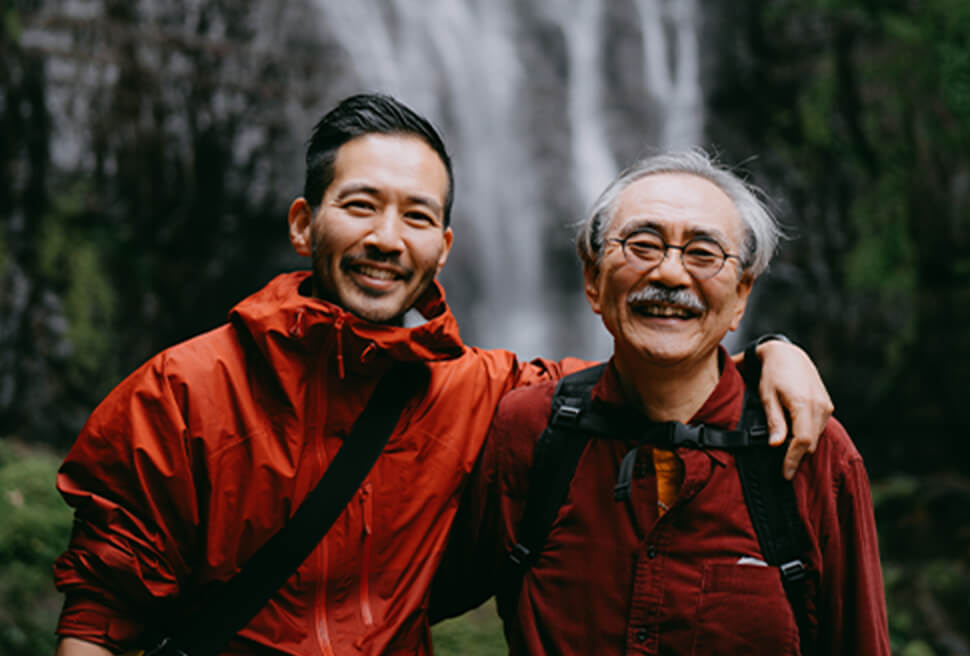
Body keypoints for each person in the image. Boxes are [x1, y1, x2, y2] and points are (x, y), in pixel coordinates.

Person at [52, 95, 833, 655]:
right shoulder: (183, 390)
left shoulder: (486, 394)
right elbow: (99, 619)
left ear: (445, 248)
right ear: (304, 223)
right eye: (361, 205)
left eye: (417, 217)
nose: (388, 239)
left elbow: (651, 364)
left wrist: (772, 352)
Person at [431, 149, 890, 655]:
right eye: (643, 245)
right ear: (592, 281)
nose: (670, 274)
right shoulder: (530, 431)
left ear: (741, 297)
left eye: (702, 253)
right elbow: (396, 599)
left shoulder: (807, 448)